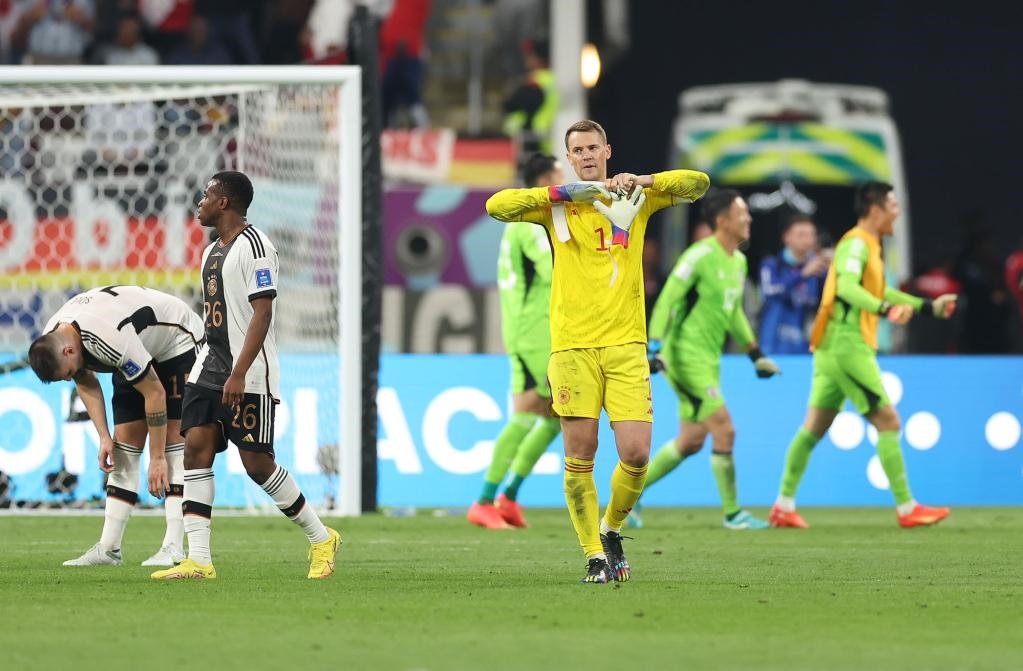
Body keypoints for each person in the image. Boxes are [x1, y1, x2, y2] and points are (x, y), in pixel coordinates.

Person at [486, 119, 710, 584]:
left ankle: (611, 529)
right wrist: (564, 192)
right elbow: (496, 206)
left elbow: (697, 183)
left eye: (593, 148)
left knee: (637, 453)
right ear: (569, 158)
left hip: (626, 345)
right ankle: (593, 555)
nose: (586, 155)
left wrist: (640, 180)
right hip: (572, 348)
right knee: (580, 453)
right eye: (578, 150)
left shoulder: (634, 198)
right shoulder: (557, 205)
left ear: (608, 151)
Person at [151, 171, 341, 580]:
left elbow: (263, 312)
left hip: (249, 372)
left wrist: (238, 373)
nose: (200, 202)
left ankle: (321, 537)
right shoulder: (210, 251)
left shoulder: (257, 246)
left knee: (257, 464)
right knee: (194, 449)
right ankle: (199, 560)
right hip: (209, 366)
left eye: (207, 195)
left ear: (224, 202)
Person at [770, 181, 958, 529]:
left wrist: (927, 307)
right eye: (893, 205)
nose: (897, 212)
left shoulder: (867, 244)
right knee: (888, 421)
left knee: (813, 427)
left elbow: (879, 290)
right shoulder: (857, 243)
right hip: (848, 346)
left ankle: (783, 505)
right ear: (875, 209)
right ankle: (907, 508)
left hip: (831, 346)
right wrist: (885, 310)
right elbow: (847, 288)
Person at [633, 189, 780, 531]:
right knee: (725, 428)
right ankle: (733, 514)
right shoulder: (698, 256)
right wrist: (654, 346)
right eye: (742, 213)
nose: (749, 219)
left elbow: (733, 312)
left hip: (709, 360)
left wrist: (755, 354)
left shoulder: (738, 261)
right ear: (723, 221)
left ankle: (627, 496)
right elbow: (668, 299)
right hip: (684, 357)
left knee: (690, 441)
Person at [28, 285, 205, 567]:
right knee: (124, 445)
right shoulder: (56, 335)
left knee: (174, 441)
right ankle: (109, 549)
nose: (70, 378)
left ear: (69, 350)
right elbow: (85, 381)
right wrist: (103, 436)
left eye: (68, 372)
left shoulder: (108, 339)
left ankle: (173, 547)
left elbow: (155, 393)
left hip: (176, 340)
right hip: (136, 344)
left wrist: (157, 457)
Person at [467, 153, 564, 530]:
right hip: (535, 331)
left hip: (532, 328)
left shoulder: (525, 220)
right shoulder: (530, 222)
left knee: (552, 415)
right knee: (539, 412)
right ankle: (486, 500)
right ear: (543, 180)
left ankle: (506, 497)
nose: (563, 181)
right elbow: (555, 270)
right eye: (558, 174)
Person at [758, 213, 829, 354]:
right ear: (787, 237)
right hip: (773, 346)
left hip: (805, 349)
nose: (807, 240)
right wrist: (802, 275)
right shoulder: (772, 265)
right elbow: (769, 291)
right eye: (801, 235)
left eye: (811, 235)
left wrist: (832, 271)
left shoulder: (819, 270)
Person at [502, 38, 558, 157]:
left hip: (533, 141)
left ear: (539, 58)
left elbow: (510, 105)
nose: (526, 59)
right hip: (547, 141)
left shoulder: (536, 82)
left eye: (530, 55)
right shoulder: (552, 79)